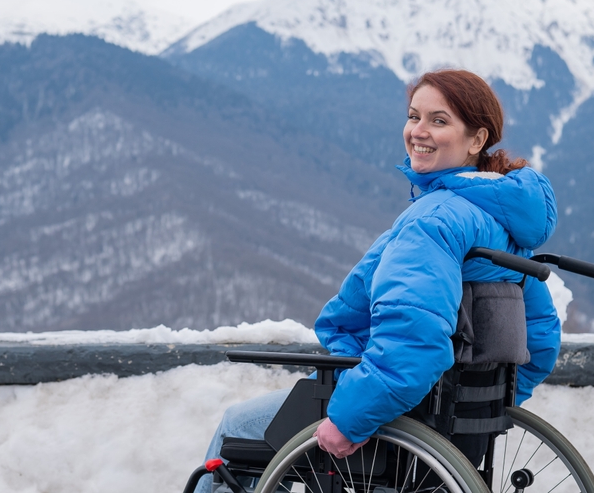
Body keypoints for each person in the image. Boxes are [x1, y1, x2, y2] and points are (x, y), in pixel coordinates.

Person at [194, 69, 561, 491]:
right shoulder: (502, 226)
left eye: (438, 121)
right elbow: (541, 341)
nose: (418, 132)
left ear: (476, 140)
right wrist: (481, 406)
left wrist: (349, 422)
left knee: (236, 428)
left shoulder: (434, 221)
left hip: (394, 411)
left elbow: (414, 344)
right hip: (448, 424)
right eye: (413, 116)